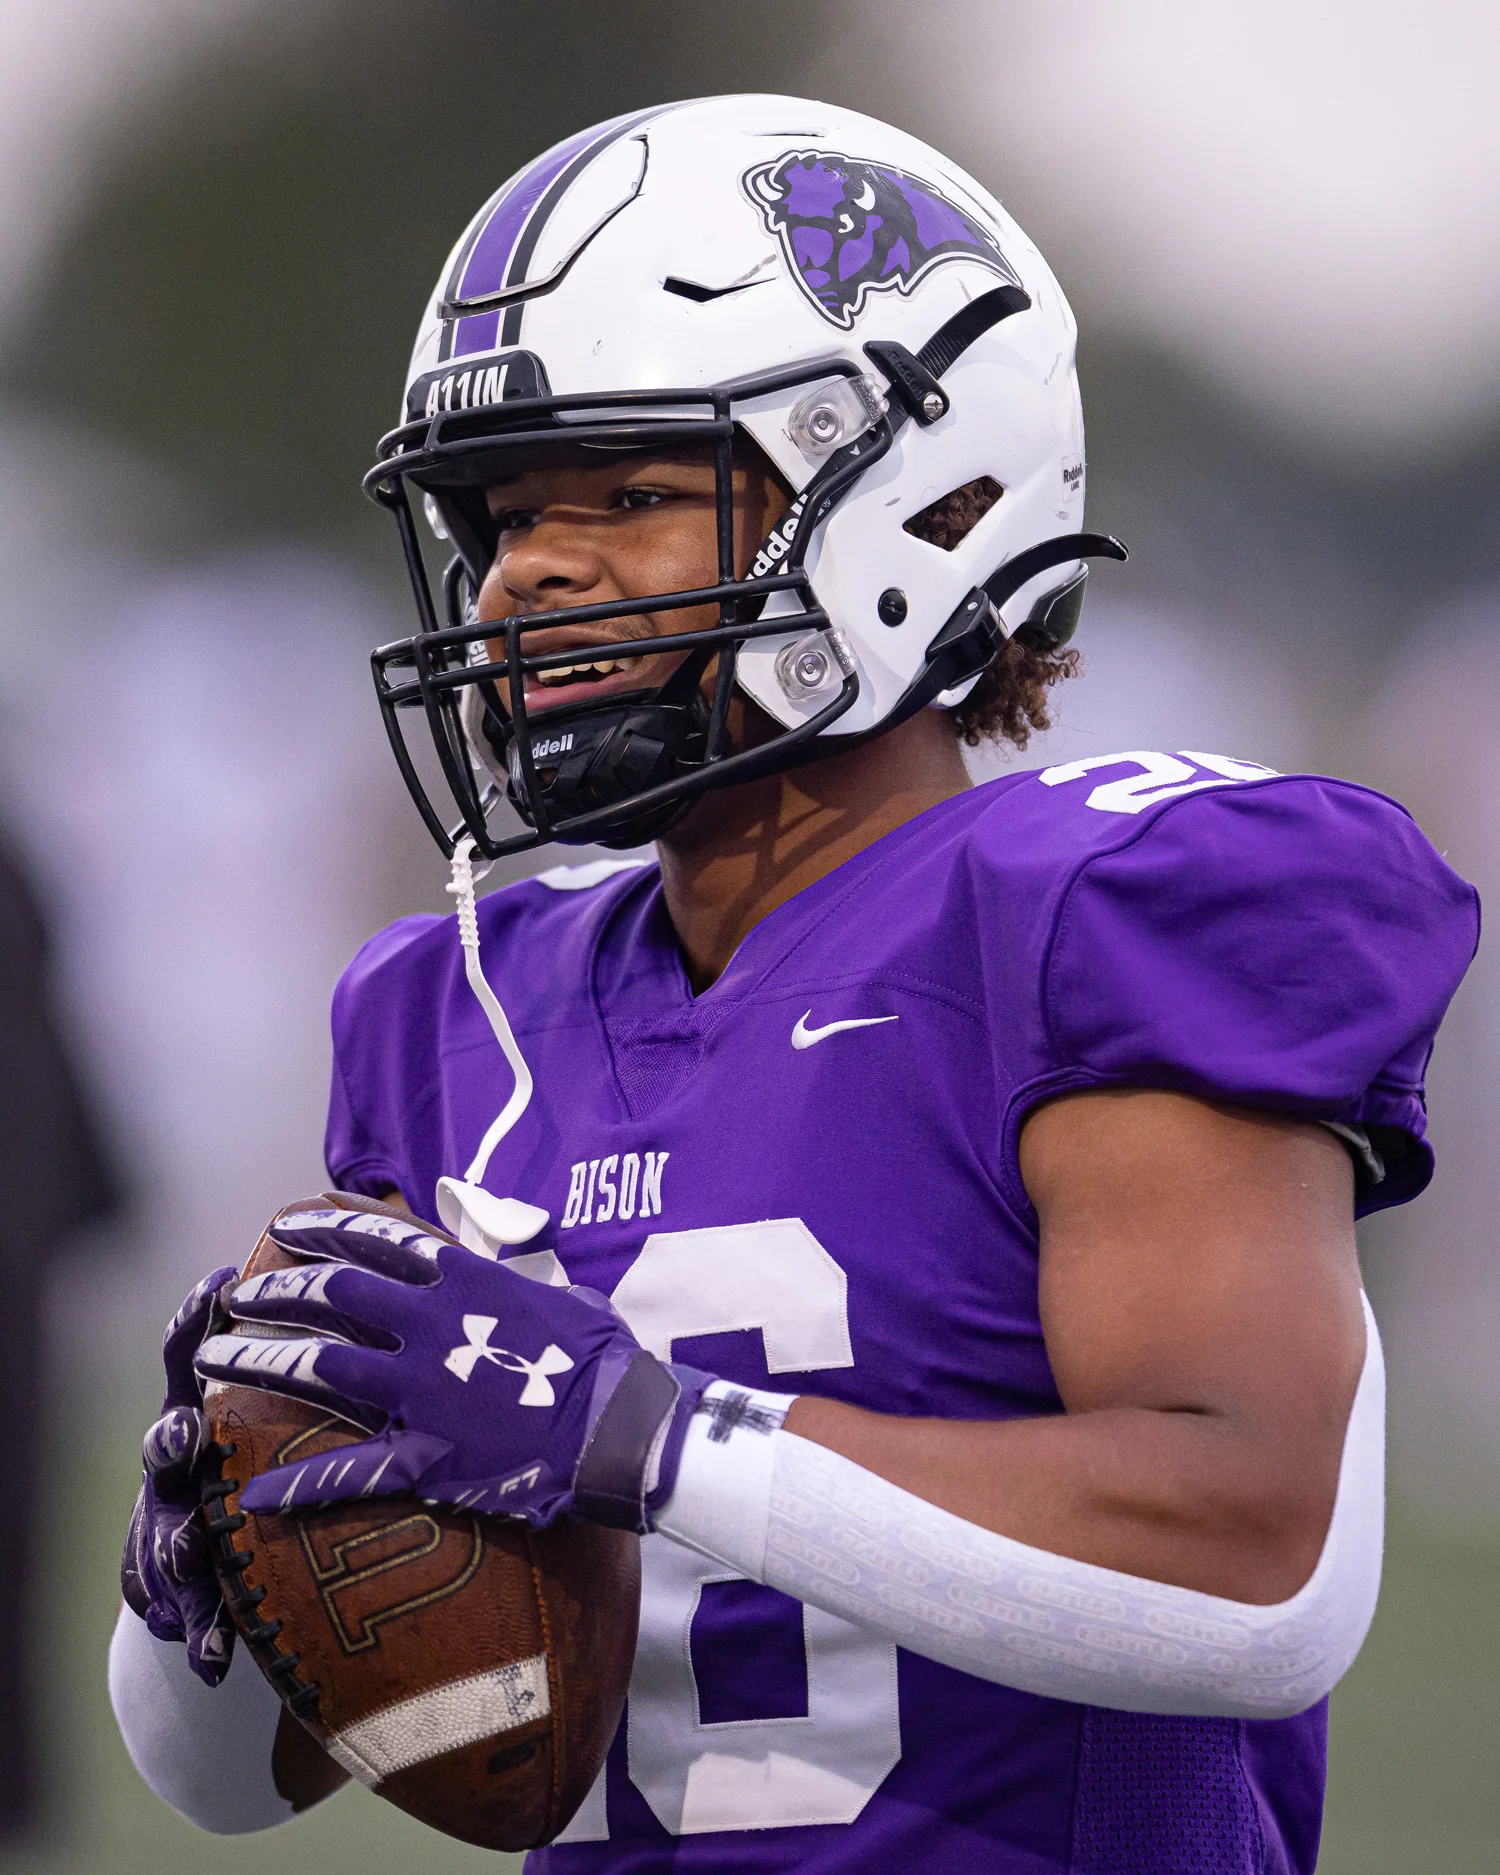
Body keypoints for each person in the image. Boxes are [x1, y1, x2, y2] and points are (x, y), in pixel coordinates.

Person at [110, 95, 1479, 1871]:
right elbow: (237, 1781)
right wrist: (220, 1577)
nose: (529, 570)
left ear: (908, 493)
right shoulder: (462, 1008)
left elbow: (1260, 1576)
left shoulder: (1094, 913)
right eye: (503, 515)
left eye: (628, 491)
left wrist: (644, 1433)